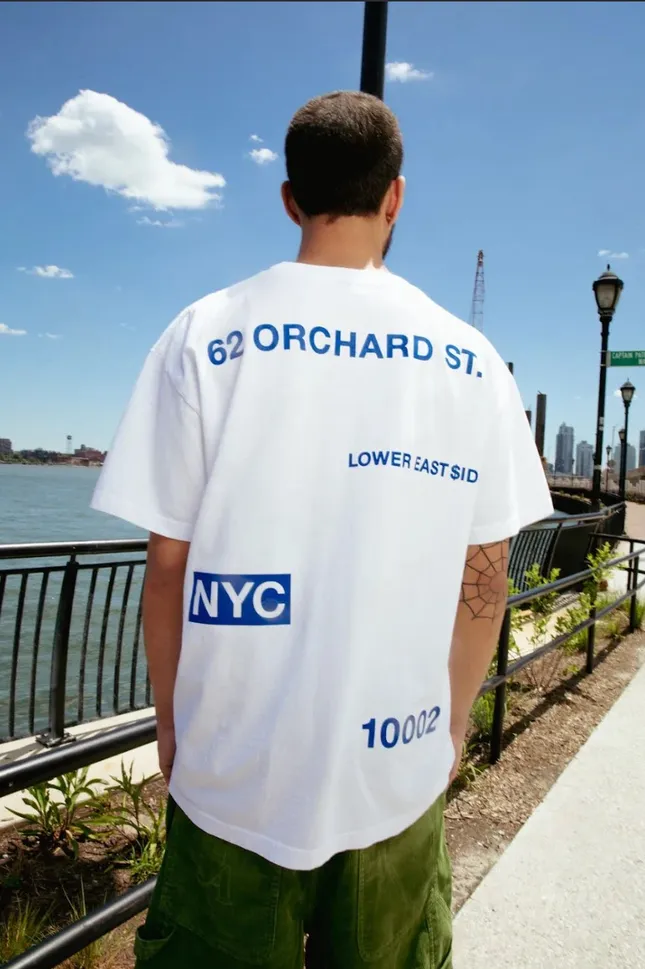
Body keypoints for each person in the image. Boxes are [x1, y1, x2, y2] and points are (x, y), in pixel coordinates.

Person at [92, 91, 553, 969]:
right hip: (394, 773)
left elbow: (168, 569)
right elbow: (486, 573)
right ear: (395, 197)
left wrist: (173, 723)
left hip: (233, 772)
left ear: (289, 197)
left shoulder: (203, 335)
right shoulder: (471, 362)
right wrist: (452, 723)